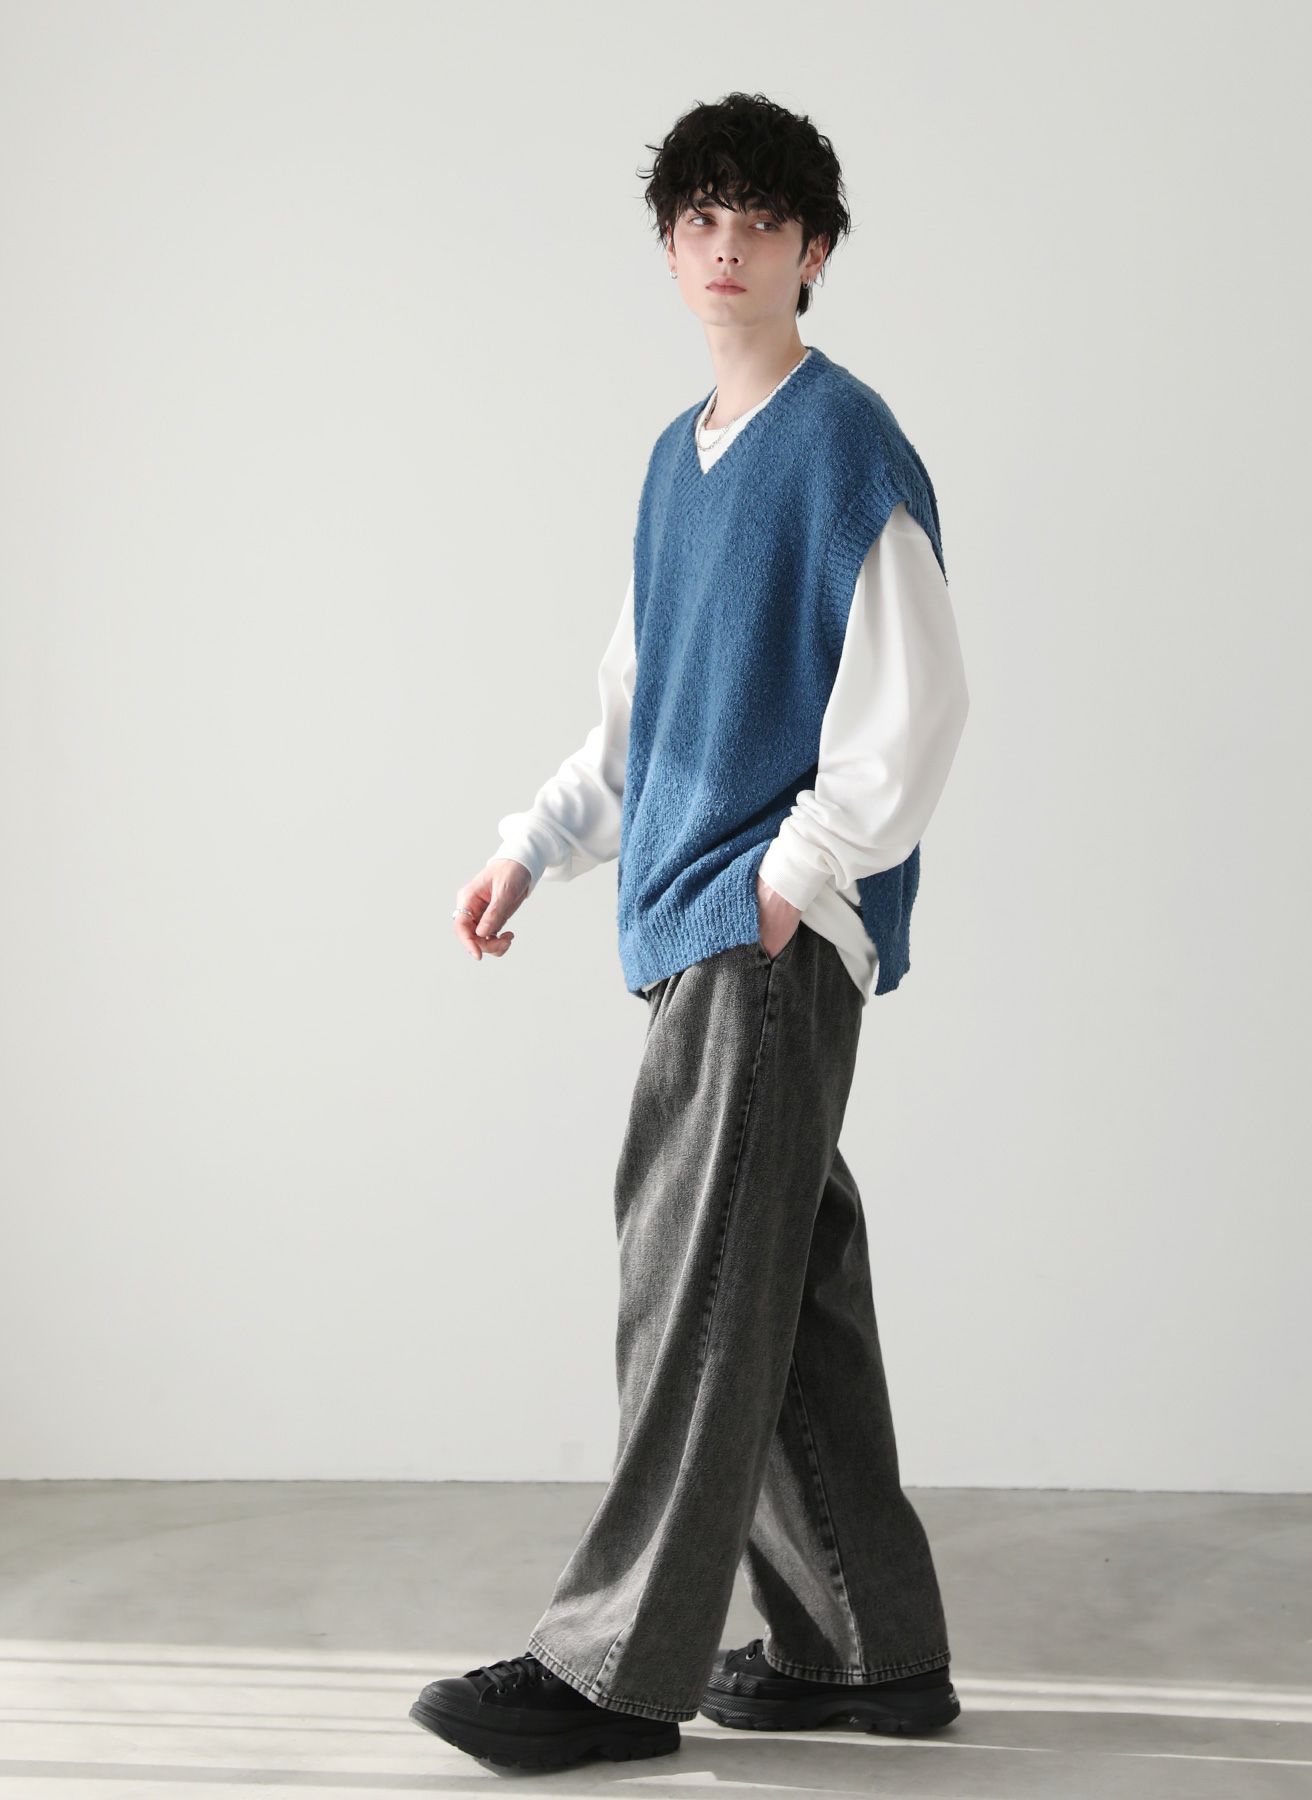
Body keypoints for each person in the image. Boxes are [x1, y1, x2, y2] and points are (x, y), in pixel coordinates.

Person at [409, 90, 971, 1775]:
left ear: (815, 252)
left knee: (693, 1288)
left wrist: (793, 881)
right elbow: (641, 716)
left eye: (761, 220)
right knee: (778, 1293)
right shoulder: (680, 461)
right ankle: (866, 1654)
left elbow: (917, 704)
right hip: (699, 928)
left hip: (759, 938)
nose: (728, 246)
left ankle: (611, 1670)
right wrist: (534, 847)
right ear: (670, 250)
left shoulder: (846, 444)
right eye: (700, 219)